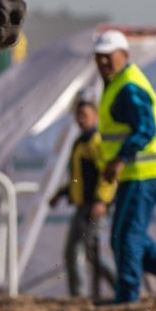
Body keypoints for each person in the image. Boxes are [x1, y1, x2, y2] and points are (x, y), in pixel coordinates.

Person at [93, 29, 156, 304]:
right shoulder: (118, 82)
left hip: (145, 172)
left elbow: (145, 128)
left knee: (126, 235)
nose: (104, 62)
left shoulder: (127, 86)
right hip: (139, 172)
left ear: (125, 55)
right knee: (127, 235)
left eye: (109, 57)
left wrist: (120, 159)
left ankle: (127, 295)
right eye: (99, 57)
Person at [48, 98, 117, 299]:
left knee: (93, 254)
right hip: (81, 207)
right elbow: (79, 178)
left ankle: (121, 286)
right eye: (78, 115)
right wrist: (61, 194)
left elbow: (107, 175)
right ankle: (78, 296)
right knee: (72, 252)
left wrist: (102, 201)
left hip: (95, 207)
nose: (81, 119)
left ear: (95, 116)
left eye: (85, 115)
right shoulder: (79, 143)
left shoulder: (97, 142)